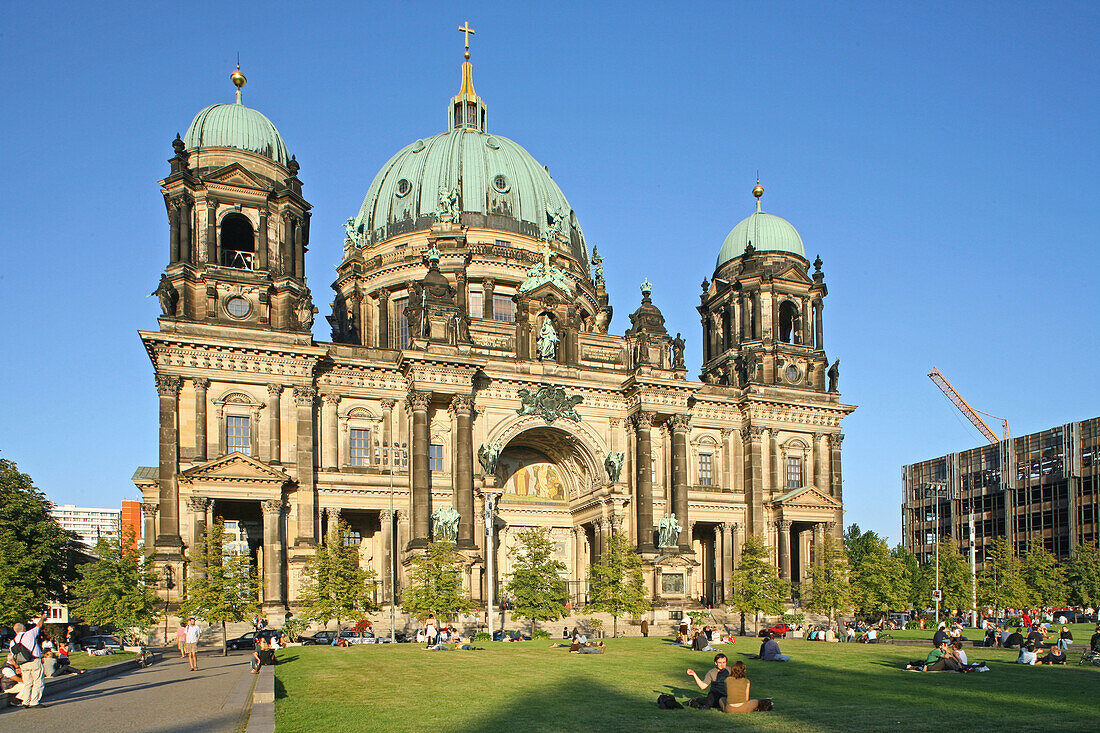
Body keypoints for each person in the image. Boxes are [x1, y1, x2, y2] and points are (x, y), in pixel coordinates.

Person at [9, 611, 46, 708]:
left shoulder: (13, 641)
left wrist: (17, 666)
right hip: (34, 661)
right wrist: (42, 618)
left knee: (27, 683)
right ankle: (34, 702)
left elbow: (13, 655)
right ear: (23, 628)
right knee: (38, 682)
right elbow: (39, 625)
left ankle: (25, 701)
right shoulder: (29, 634)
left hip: (23, 663)